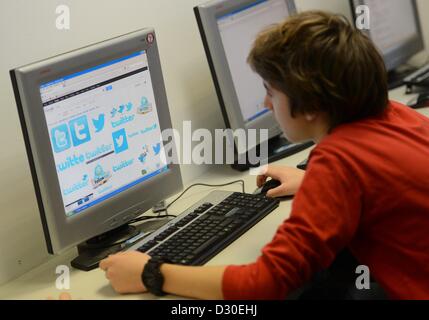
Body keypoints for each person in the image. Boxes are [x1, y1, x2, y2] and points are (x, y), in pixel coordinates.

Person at [99, 11, 429, 300]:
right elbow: (377, 182)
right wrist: (314, 183)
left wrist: (151, 273)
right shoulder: (396, 115)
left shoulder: (340, 163)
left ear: (312, 105)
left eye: (271, 91)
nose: (266, 105)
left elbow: (267, 284)